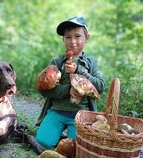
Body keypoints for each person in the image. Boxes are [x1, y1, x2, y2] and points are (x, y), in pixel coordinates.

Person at [35, 16, 105, 150]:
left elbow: (100, 86)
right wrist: (68, 90)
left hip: (81, 115)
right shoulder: (57, 62)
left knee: (76, 148)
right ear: (63, 40)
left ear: (87, 38)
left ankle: (68, 138)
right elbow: (45, 91)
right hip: (57, 110)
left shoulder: (91, 63)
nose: (73, 41)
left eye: (77, 36)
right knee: (42, 142)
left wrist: (79, 70)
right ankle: (58, 136)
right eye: (68, 37)